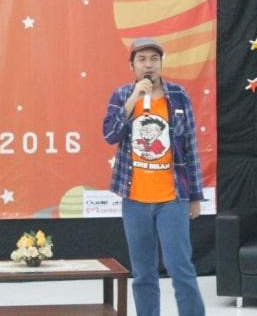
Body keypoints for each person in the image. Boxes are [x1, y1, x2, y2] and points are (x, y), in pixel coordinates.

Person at [103, 37, 205, 316]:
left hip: (172, 198)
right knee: (143, 273)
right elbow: (110, 134)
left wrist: (195, 196)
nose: (148, 65)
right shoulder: (122, 95)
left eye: (154, 59)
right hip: (135, 199)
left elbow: (190, 147)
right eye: (142, 59)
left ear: (161, 63)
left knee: (180, 269)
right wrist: (133, 99)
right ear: (132, 65)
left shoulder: (179, 96)